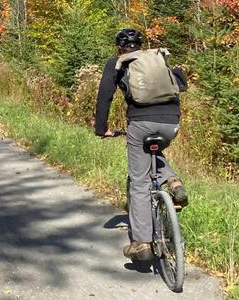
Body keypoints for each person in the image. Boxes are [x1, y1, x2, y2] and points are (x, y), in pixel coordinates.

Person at [93, 28, 189, 261]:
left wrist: (101, 128)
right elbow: (181, 83)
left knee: (139, 182)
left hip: (140, 123)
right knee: (153, 152)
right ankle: (172, 180)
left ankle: (142, 243)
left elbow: (104, 96)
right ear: (141, 44)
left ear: (120, 48)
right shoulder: (155, 57)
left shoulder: (117, 62)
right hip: (171, 121)